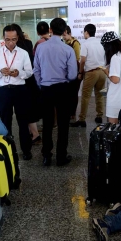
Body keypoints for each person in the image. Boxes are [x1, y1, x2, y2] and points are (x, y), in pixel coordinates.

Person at [33, 18, 77, 167]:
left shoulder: (40, 48)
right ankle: (61, 157)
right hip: (62, 88)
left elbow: (36, 70)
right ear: (65, 31)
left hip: (45, 88)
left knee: (47, 123)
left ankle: (46, 155)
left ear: (50, 30)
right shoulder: (68, 49)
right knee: (63, 124)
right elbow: (72, 75)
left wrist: (42, 85)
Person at [0, 25, 33, 160]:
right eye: (8, 39)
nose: (11, 42)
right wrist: (0, 72)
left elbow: (30, 72)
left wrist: (19, 73)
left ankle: (26, 150)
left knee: (23, 122)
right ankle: (8, 150)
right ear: (3, 38)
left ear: (17, 38)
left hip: (20, 90)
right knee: (5, 122)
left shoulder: (23, 53)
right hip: (4, 91)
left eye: (13, 39)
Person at [71, 24, 106, 127]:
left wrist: (80, 72)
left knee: (85, 96)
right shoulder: (101, 43)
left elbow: (82, 61)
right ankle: (99, 115)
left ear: (86, 32)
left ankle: (82, 119)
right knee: (99, 95)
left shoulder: (85, 44)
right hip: (102, 72)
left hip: (91, 73)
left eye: (84, 32)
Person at [11, 24, 40, 144]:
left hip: (21, 81)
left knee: (25, 110)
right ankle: (33, 133)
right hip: (30, 80)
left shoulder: (16, 47)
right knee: (29, 109)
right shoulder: (28, 43)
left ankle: (35, 135)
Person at [100, 31, 121, 124]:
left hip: (116, 99)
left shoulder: (115, 57)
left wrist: (106, 71)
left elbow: (115, 79)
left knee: (114, 129)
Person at [62, 26, 82, 123]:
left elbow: (77, 58)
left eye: (64, 35)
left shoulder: (75, 43)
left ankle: (72, 113)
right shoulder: (65, 43)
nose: (63, 37)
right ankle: (68, 112)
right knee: (68, 93)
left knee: (73, 93)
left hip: (75, 70)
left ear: (68, 32)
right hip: (67, 71)